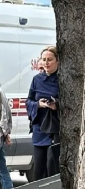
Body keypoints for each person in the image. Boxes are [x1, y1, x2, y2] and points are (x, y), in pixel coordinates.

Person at [27, 46, 60, 180]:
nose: (46, 63)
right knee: (38, 170)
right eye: (44, 59)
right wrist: (38, 104)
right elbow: (28, 101)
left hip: (55, 129)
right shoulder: (37, 80)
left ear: (57, 61)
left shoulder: (62, 79)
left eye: (50, 60)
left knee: (52, 167)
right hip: (39, 129)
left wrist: (56, 105)